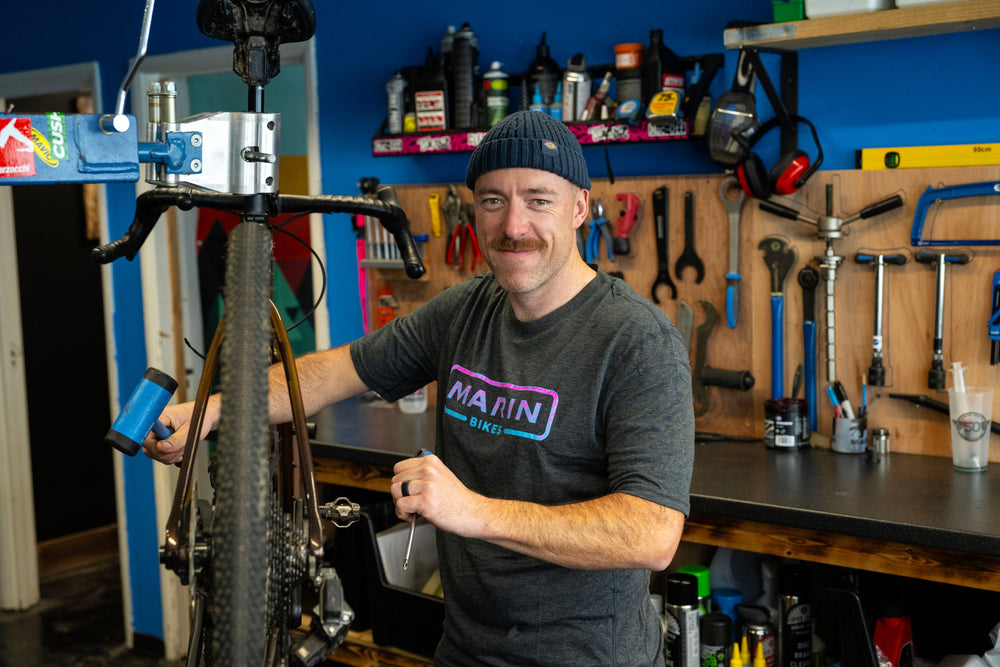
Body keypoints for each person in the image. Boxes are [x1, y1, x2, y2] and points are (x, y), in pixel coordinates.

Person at [145, 110, 695, 666]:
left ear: (579, 208)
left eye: (538, 199)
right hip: (465, 648)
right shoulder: (465, 309)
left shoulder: (637, 342)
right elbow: (338, 371)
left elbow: (650, 533)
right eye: (493, 201)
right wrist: (215, 410)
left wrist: (471, 511)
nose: (513, 226)